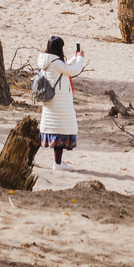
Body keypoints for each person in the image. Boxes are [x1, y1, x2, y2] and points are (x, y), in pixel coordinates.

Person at [36, 35, 89, 169]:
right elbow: (73, 70)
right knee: (60, 131)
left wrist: (74, 58)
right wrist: (81, 58)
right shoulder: (56, 63)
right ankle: (58, 163)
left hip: (50, 103)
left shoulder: (46, 62)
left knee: (52, 130)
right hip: (60, 104)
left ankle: (56, 162)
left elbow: (64, 67)